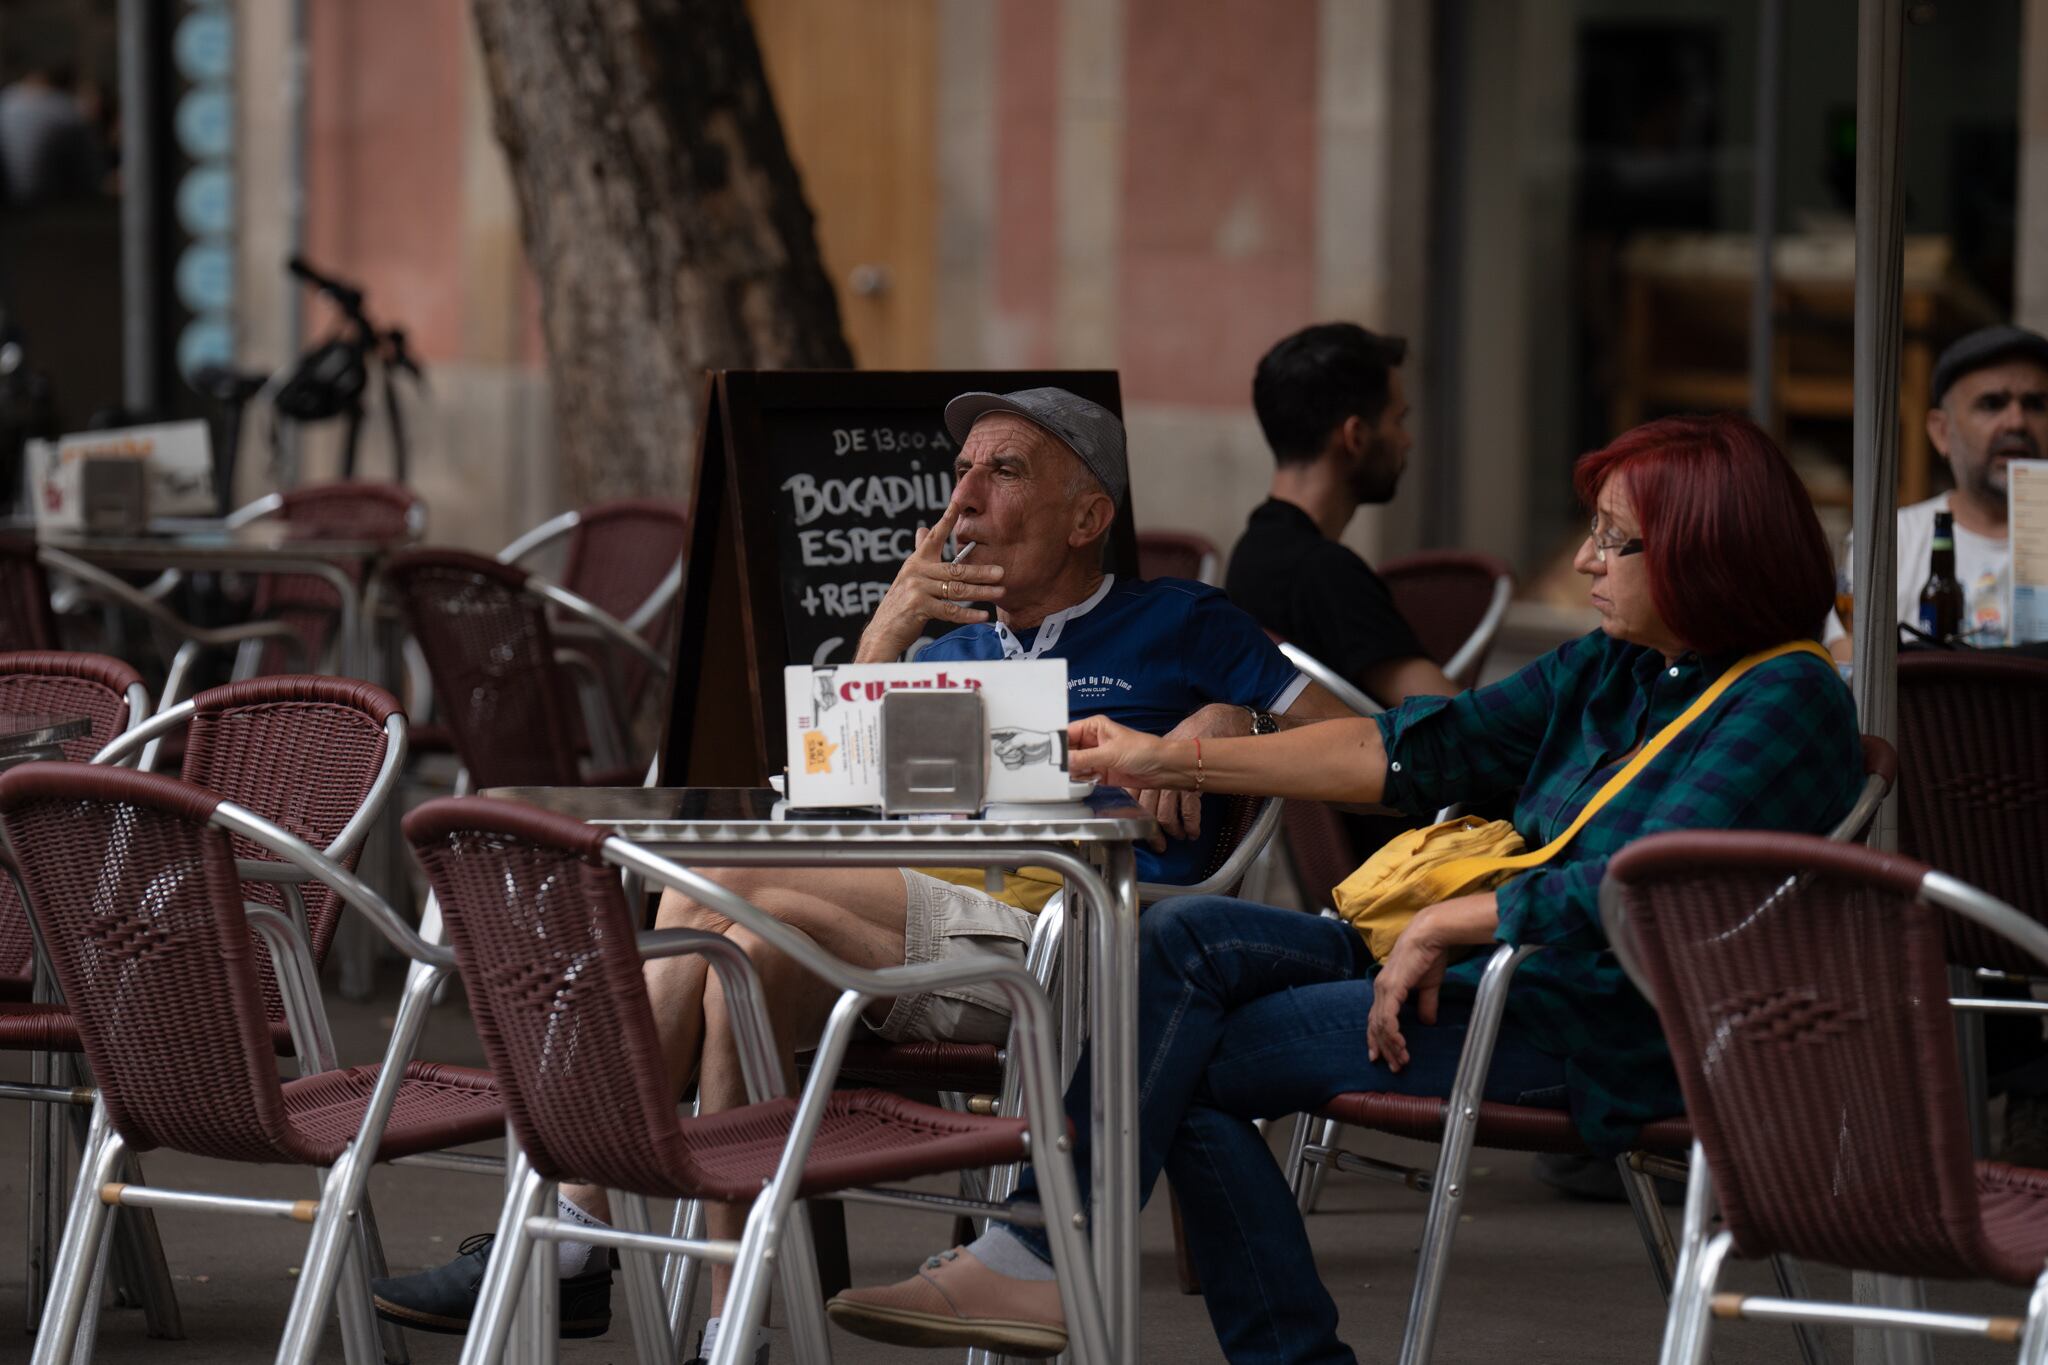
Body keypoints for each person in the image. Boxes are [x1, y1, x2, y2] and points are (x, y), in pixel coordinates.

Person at [828, 412, 1863, 1364]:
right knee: (1177, 943)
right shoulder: (1614, 664)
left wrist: (1467, 916)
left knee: (1170, 1062)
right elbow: (1414, 747)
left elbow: (1652, 883)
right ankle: (1043, 1265)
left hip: (1592, 1018)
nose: (1585, 558)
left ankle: (1048, 1266)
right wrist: (1170, 759)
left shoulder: (1788, 694)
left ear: (1705, 552)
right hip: (1479, 963)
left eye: (1612, 539)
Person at [371, 387, 1348, 1359]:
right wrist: (883, 635)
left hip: (1081, 945)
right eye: (959, 470)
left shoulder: (1183, 624)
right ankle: (727, 1329)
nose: (961, 496)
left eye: (1002, 471)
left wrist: (1234, 723)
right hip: (924, 933)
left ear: (1088, 517)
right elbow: (821, 819)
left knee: (713, 881)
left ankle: (570, 1231)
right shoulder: (952, 646)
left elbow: (1355, 744)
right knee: (732, 954)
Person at [1226, 322, 1458, 706]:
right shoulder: (1326, 573)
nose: (1407, 440)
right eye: (1398, 420)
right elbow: (1459, 724)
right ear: (1356, 437)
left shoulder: (1250, 551)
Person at [1828, 323, 2048, 656]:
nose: (2017, 421)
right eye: (1992, 404)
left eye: (2035, 404)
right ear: (1941, 432)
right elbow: (1847, 655)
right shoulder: (1890, 541)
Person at [0, 64, 104, 207]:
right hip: (50, 207)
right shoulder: (67, 111)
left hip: (9, 206)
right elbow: (92, 178)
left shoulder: (6, 99)